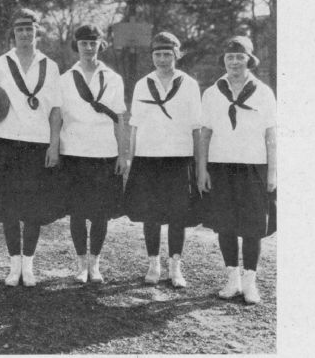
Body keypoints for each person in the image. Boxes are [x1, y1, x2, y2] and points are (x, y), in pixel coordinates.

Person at [0, 8, 63, 287]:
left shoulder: (51, 66)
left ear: (37, 32)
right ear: (13, 33)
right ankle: (13, 266)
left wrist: (54, 146)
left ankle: (29, 266)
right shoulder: (0, 64)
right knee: (8, 209)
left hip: (38, 145)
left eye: (29, 29)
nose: (24, 34)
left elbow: (56, 111)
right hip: (6, 144)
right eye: (20, 29)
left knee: (34, 209)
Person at [198, 36, 277, 305]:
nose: (234, 62)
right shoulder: (211, 92)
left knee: (253, 227)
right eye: (230, 57)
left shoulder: (263, 92)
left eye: (239, 57)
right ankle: (232, 280)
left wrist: (272, 173)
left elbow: (271, 136)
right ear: (224, 60)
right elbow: (205, 134)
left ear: (249, 60)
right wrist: (202, 169)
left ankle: (250, 283)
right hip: (220, 167)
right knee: (225, 225)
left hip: (254, 167)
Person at [124, 32, 202, 288]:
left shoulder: (189, 84)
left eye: (167, 54)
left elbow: (196, 128)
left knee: (178, 215)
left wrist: (199, 166)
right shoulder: (141, 84)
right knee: (151, 215)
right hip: (147, 160)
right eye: (157, 54)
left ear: (177, 55)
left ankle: (175, 267)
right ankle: (153, 263)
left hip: (179, 159)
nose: (162, 59)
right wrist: (130, 161)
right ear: (152, 57)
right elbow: (134, 126)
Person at [59, 25, 129, 283]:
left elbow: (119, 118)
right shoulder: (65, 79)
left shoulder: (113, 78)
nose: (88, 48)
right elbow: (59, 117)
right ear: (76, 46)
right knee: (77, 212)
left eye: (93, 43)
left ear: (101, 45)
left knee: (101, 212)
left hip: (104, 153)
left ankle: (95, 263)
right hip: (74, 153)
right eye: (83, 43)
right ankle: (80, 264)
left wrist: (123, 154)